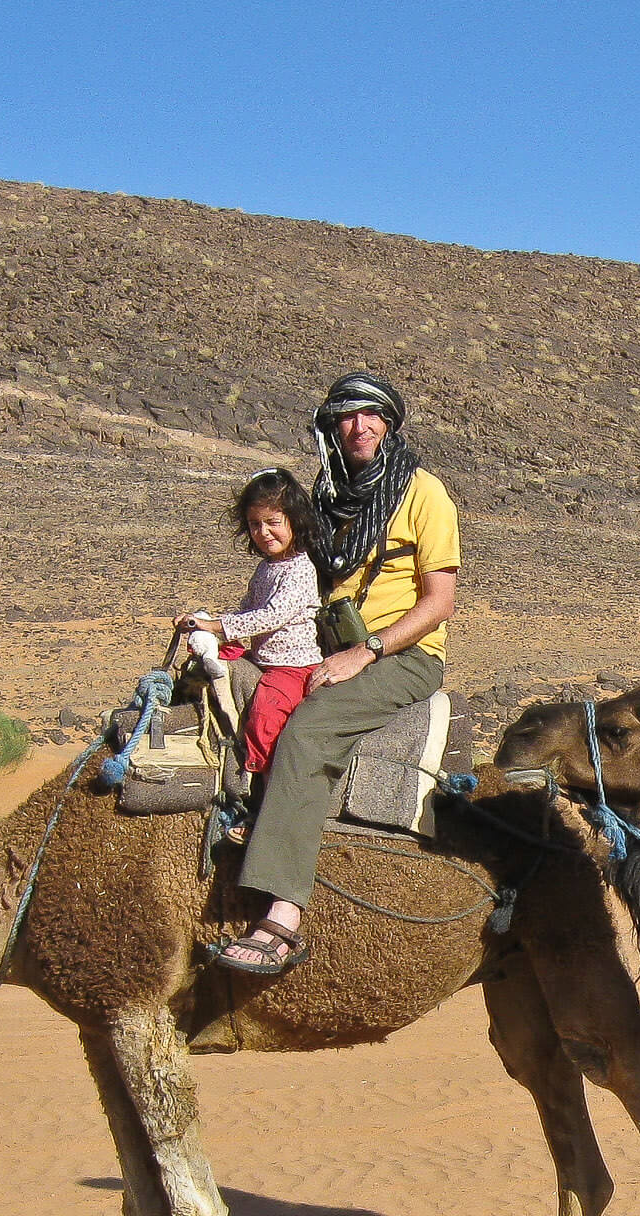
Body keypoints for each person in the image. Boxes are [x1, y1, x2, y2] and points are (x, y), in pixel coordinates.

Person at [208, 372, 460, 975]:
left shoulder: (426, 494)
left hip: (402, 656)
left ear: (390, 425)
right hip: (326, 640)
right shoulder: (326, 493)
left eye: (372, 416)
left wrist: (365, 652)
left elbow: (438, 604)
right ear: (332, 426)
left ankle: (283, 915)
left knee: (309, 731)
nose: (361, 426)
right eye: (348, 416)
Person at [184, 468, 324, 790]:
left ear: (294, 520)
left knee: (264, 718)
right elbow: (248, 609)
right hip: (262, 656)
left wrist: (215, 625)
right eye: (255, 524)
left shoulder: (300, 570)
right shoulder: (266, 568)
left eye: (273, 522)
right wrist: (207, 626)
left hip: (291, 666)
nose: (263, 532)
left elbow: (270, 617)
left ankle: (262, 790)